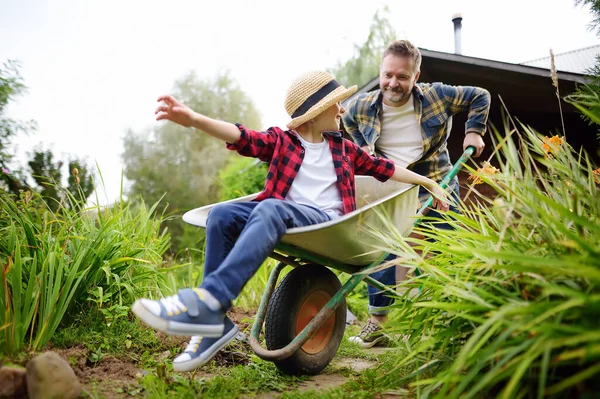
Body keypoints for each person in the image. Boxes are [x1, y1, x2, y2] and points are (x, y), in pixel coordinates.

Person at [131, 71, 449, 372]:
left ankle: (206, 303)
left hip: (328, 225)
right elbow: (243, 137)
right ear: (315, 111)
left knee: (272, 209)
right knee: (222, 214)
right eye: (335, 103)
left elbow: (384, 168)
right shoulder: (283, 142)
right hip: (288, 218)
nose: (341, 109)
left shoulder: (343, 148)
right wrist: (194, 119)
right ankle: (214, 320)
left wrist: (427, 182)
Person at [342, 39, 491, 348]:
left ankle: (441, 324)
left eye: (402, 77)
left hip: (437, 180)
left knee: (445, 250)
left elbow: (480, 95)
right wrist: (364, 151)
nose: (393, 83)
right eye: (388, 75)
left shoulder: (437, 96)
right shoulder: (361, 106)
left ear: (416, 76)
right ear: (381, 71)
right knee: (382, 251)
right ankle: (378, 323)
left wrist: (474, 131)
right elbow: (348, 121)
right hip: (391, 186)